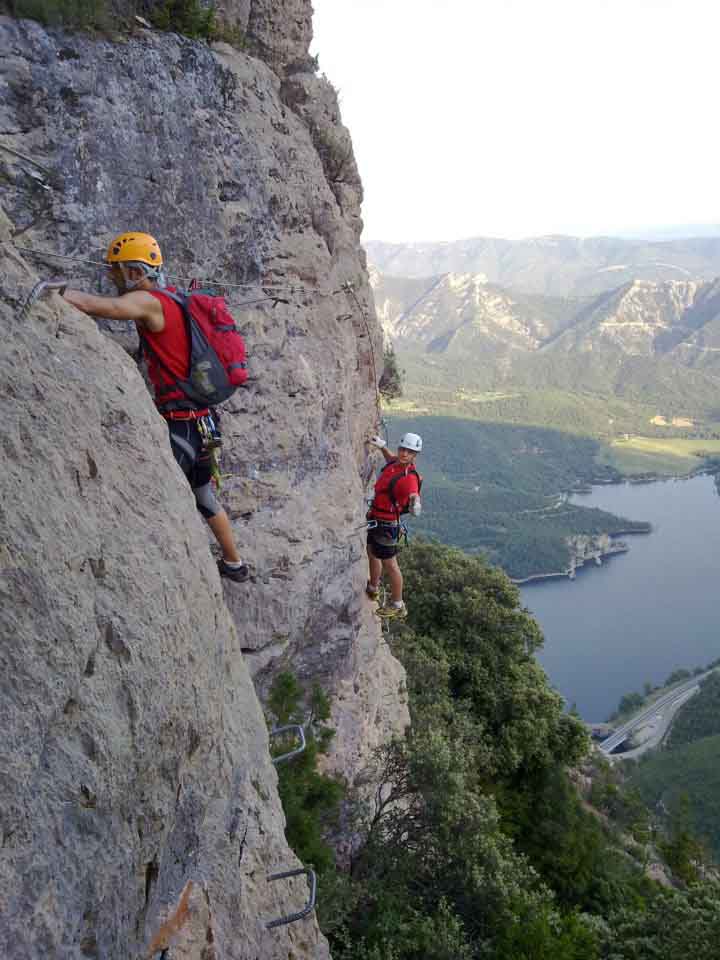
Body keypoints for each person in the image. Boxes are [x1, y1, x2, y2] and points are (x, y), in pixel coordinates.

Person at [58, 231, 249, 582]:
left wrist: (54, 293)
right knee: (203, 494)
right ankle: (235, 563)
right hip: (205, 423)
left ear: (134, 272)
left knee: (153, 502)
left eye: (116, 272)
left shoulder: (149, 301)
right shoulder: (175, 298)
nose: (113, 279)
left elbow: (103, 307)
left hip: (181, 426)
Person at [366, 432, 423, 619]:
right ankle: (373, 587)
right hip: (375, 518)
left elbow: (413, 493)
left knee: (390, 564)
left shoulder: (410, 477)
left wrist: (415, 502)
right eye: (402, 449)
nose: (404, 453)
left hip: (388, 525)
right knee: (371, 552)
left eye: (410, 452)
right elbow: (391, 458)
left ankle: (398, 604)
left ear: (415, 455)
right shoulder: (395, 464)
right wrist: (382, 446)